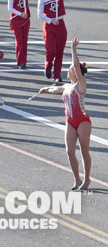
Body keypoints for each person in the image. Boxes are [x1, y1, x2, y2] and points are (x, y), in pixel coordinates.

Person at [37, 38, 92, 190]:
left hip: (83, 120)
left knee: (84, 151)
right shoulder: (67, 86)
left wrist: (73, 48)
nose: (68, 70)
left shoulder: (80, 85)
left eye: (70, 68)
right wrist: (46, 89)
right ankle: (77, 179)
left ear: (76, 71)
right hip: (70, 120)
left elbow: (76, 65)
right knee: (69, 151)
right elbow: (57, 89)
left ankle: (87, 179)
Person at [38, 0, 70, 84]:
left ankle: (57, 75)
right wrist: (51, 20)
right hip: (49, 26)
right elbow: (39, 14)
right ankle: (48, 66)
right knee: (51, 50)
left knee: (60, 51)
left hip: (60, 25)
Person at [7, 0, 32, 69]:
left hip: (25, 19)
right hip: (16, 19)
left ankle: (24, 61)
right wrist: (20, 13)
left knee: (25, 40)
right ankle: (20, 61)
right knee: (19, 41)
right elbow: (10, 8)